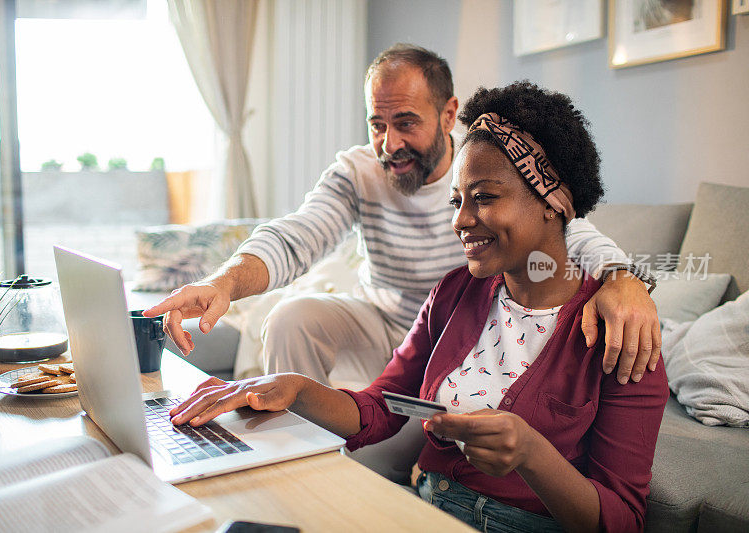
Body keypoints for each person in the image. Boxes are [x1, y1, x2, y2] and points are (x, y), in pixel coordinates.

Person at [166, 82, 669, 532]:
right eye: (457, 201)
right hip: (420, 507)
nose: (462, 221)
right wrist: (292, 388)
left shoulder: (620, 336)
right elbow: (380, 407)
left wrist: (533, 454)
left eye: (485, 197)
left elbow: (623, 521)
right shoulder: (455, 293)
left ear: (554, 202)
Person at [144, 43, 660, 390]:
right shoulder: (358, 169)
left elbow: (571, 231)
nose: (389, 145)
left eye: (406, 123)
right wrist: (225, 283)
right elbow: (297, 235)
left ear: (449, 113)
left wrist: (624, 280)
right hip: (382, 322)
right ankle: (290, 445)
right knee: (290, 316)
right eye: (377, 124)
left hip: (462, 335)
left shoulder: (486, 167)